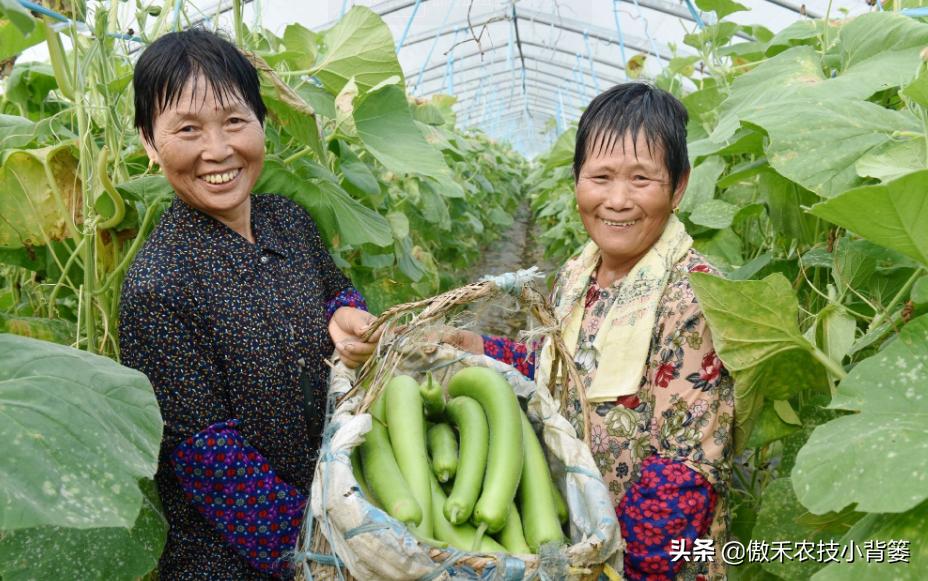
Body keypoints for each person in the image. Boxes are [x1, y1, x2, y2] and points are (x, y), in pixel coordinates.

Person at [118, 29, 381, 580]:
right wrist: (322, 552)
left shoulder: (288, 221)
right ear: (149, 142)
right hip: (240, 559)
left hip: (340, 507)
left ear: (261, 122)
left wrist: (344, 314)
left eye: (235, 120)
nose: (218, 150)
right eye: (187, 129)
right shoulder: (157, 288)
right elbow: (211, 461)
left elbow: (335, 291)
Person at [450, 83, 734, 580]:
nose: (617, 200)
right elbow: (562, 366)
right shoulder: (577, 275)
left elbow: (683, 472)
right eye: (600, 177)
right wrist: (482, 348)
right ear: (577, 181)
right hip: (576, 539)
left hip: (646, 562)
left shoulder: (693, 297)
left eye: (642, 179)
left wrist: (616, 567)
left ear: (678, 187)